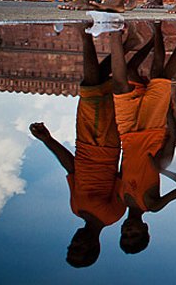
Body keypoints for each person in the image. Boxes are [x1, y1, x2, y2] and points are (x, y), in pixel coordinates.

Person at [28, 27, 132, 268]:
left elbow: (71, 167)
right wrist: (131, 137)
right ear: (94, 247)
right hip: (106, 145)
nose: (75, 243)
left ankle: (126, 44)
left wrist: (48, 140)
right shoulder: (112, 215)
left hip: (84, 143)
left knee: (94, 88)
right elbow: (123, 176)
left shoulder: (76, 208)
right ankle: (86, 36)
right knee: (91, 90)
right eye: (79, 248)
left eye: (71, 246)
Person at [110, 22, 176, 254]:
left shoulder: (121, 198)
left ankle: (116, 32)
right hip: (151, 131)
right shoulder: (153, 205)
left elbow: (123, 166)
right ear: (145, 230)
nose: (129, 229)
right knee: (160, 75)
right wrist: (160, 170)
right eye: (134, 234)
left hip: (127, 134)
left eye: (125, 234)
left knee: (120, 83)